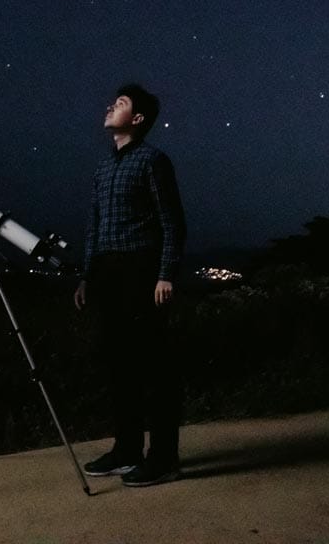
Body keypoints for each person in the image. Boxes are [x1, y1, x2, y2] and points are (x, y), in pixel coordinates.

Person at [74, 83, 187, 487]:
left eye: (119, 104)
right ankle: (126, 451)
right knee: (119, 366)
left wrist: (165, 274)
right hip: (108, 273)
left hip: (142, 270)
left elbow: (172, 221)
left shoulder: (153, 161)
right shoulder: (104, 168)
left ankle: (164, 458)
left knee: (154, 367)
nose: (110, 106)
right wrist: (87, 275)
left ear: (137, 119)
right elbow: (94, 225)